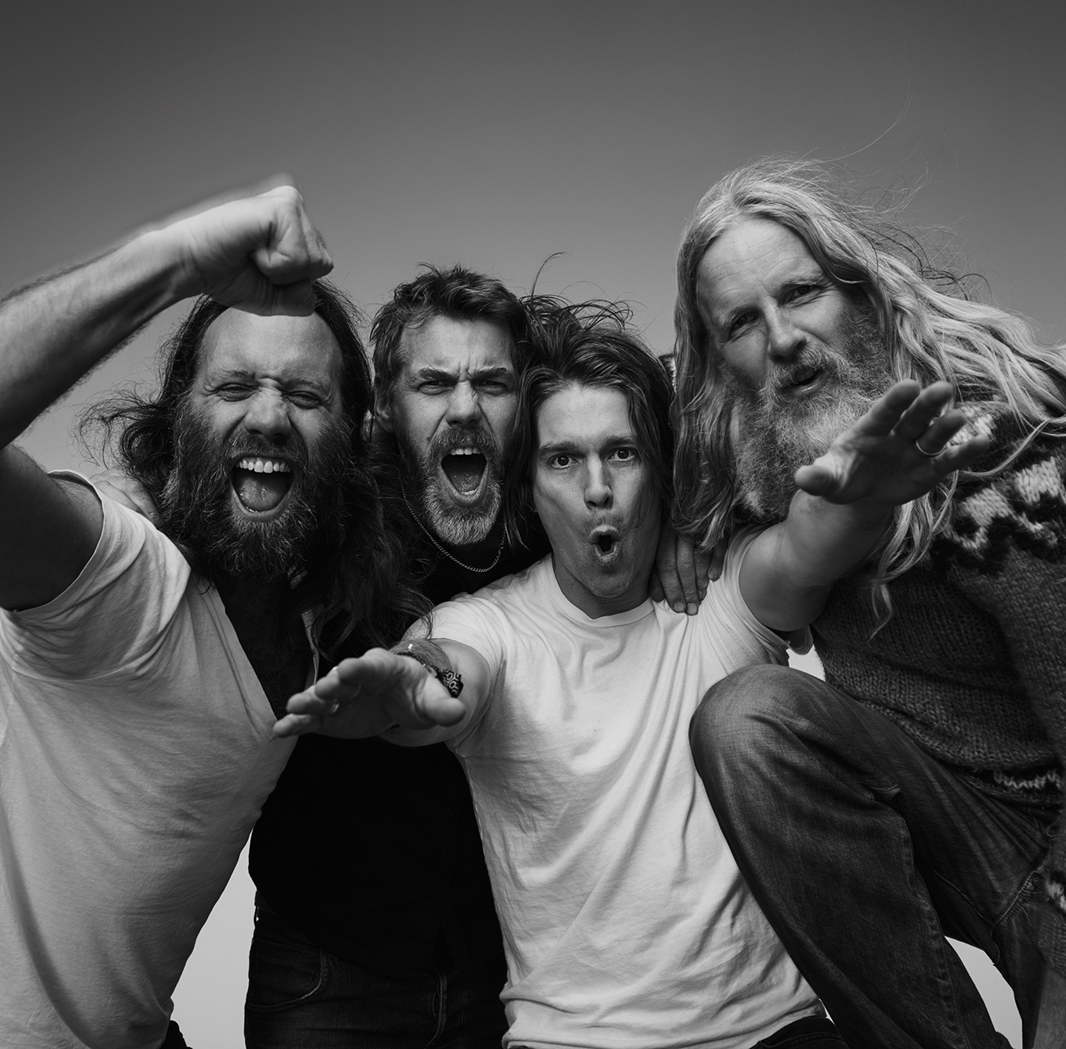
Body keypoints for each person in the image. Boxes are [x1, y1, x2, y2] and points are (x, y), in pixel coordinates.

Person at [277, 305, 983, 1048]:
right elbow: (448, 677)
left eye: (621, 453)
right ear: (527, 485)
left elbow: (804, 552)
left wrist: (860, 506)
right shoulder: (486, 624)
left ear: (660, 469)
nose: (597, 488)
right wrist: (407, 691)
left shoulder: (721, 595)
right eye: (562, 460)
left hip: (773, 1034)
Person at [672, 159, 1066, 1049]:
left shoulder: (1016, 453)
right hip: (951, 813)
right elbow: (617, 430)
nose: (783, 339)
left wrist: (1056, 1036)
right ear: (719, 360)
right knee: (747, 723)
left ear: (860, 289)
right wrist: (674, 530)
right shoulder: (764, 441)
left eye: (801, 293)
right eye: (742, 323)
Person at [0, 186, 416, 1049]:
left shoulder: (316, 604)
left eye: (304, 395)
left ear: (351, 436)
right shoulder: (120, 575)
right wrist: (175, 260)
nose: (268, 415)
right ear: (178, 419)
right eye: (233, 386)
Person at [240, 267, 723, 1048]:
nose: (464, 407)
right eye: (433, 384)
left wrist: (676, 514)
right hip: (331, 961)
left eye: (491, 383)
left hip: (491, 971)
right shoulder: (323, 518)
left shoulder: (551, 519)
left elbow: (649, 419)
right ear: (386, 409)